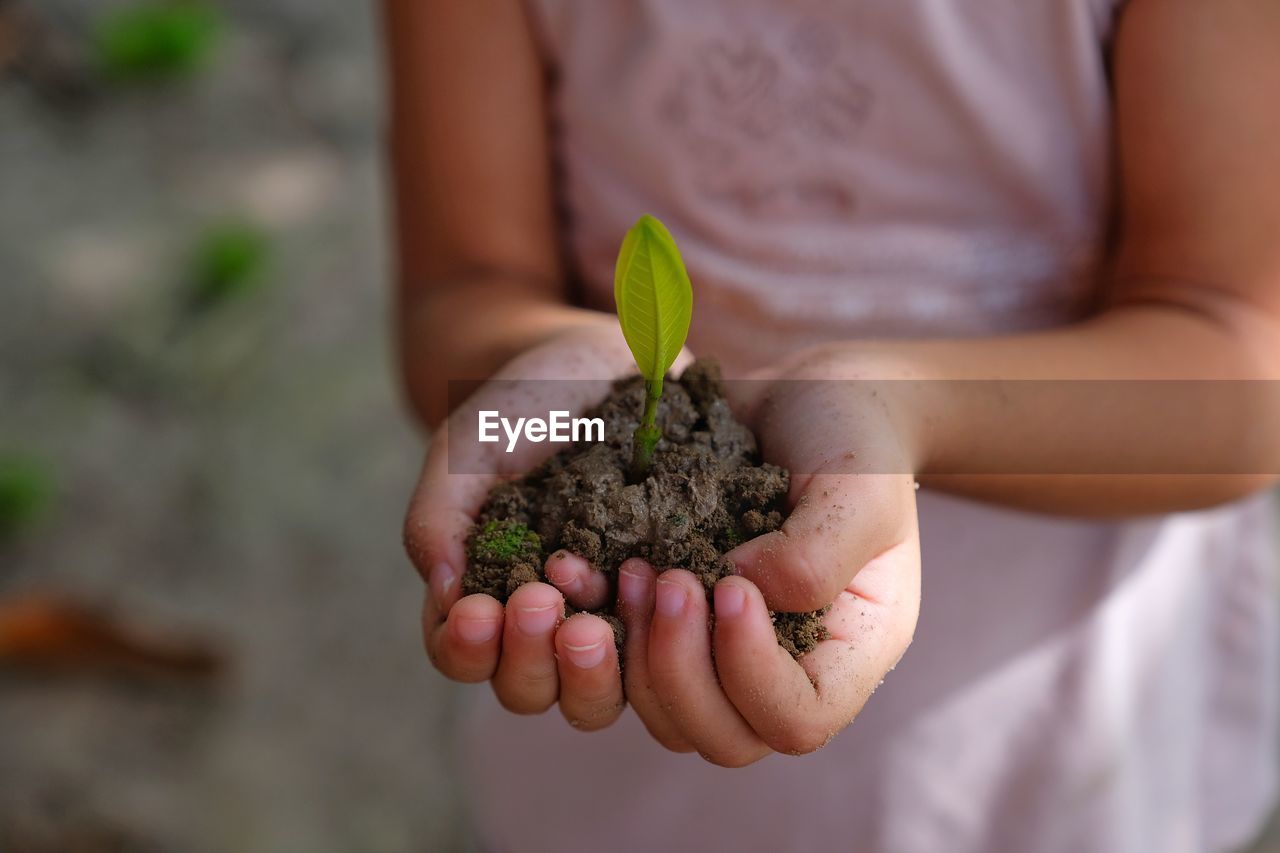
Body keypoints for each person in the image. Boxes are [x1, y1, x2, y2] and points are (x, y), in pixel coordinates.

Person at [386, 1, 1280, 850]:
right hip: (606, 749)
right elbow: (460, 294)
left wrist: (902, 411)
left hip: (1041, 754)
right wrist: (539, 361)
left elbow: (1244, 366)